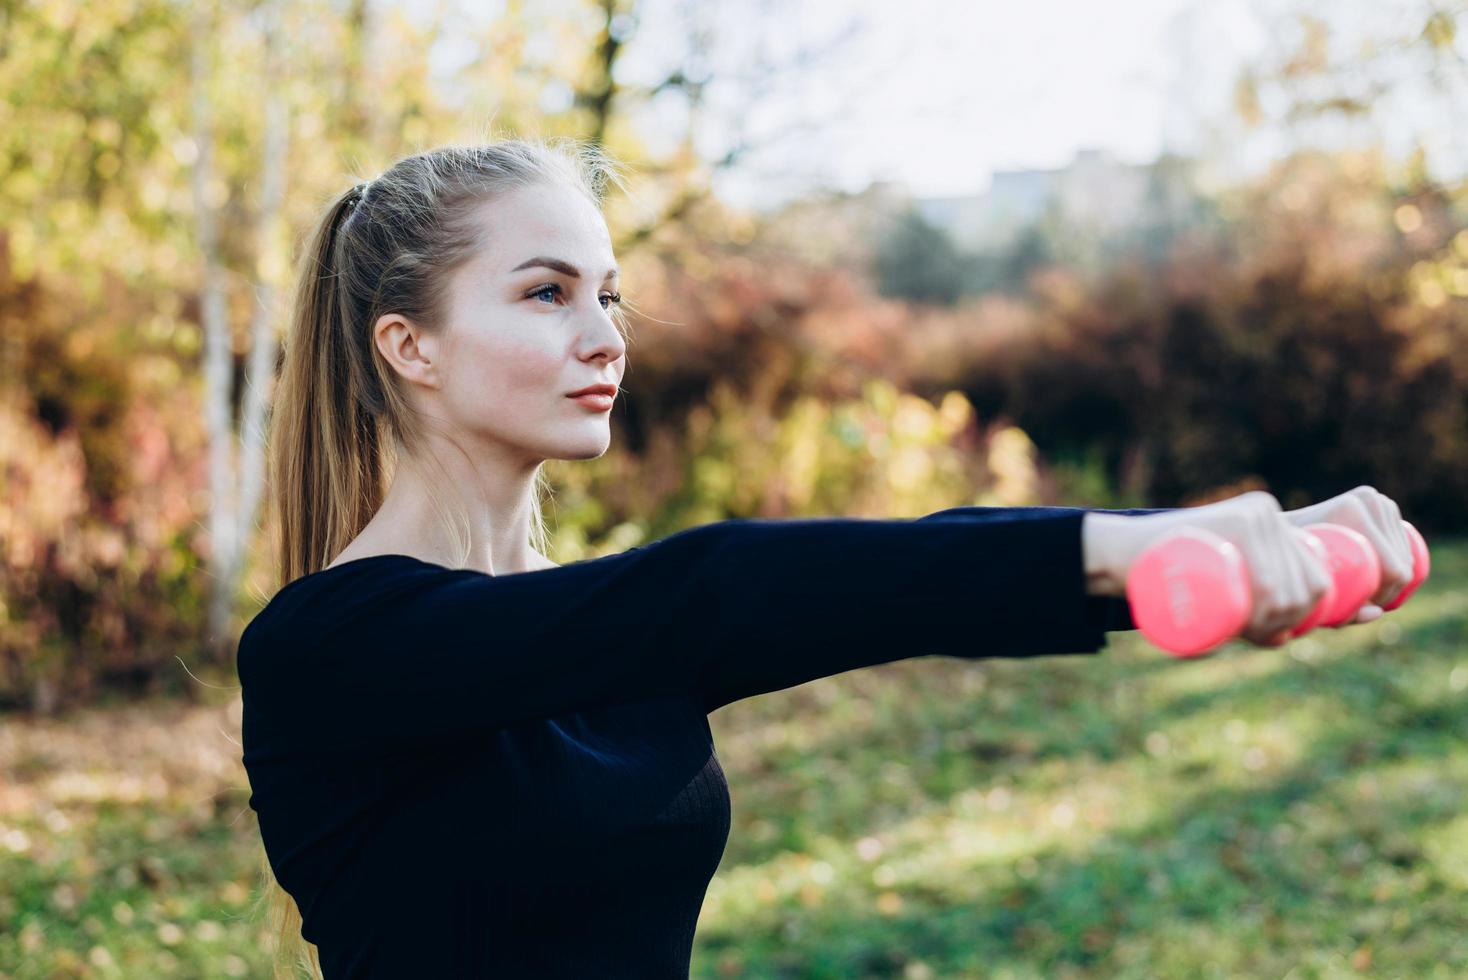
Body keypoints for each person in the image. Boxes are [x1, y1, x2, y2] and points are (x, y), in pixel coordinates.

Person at [237, 136, 1417, 979]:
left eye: (608, 294)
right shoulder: (330, 649)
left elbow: (864, 585)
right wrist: (1117, 542)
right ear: (410, 346)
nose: (604, 336)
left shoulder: (595, 637)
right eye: (546, 293)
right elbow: (715, 590)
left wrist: (1156, 567)